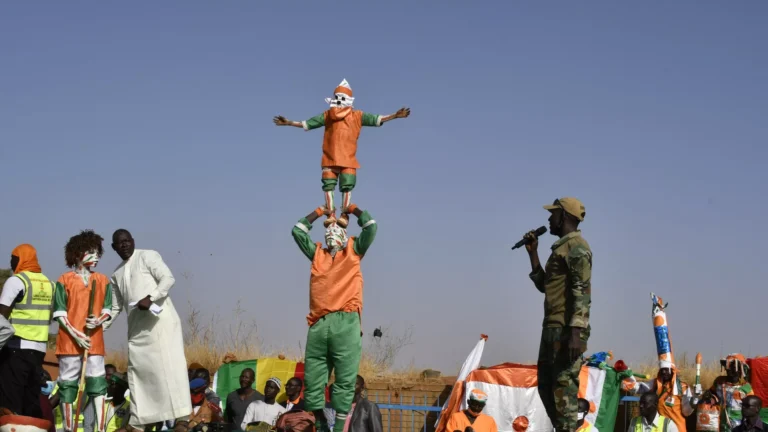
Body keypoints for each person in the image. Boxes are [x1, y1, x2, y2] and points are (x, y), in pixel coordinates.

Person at [273, 78, 410, 227]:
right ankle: (331, 214)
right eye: (337, 98)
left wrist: (395, 116)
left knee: (346, 186)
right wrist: (289, 123)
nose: (339, 101)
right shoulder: (328, 115)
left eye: (341, 98)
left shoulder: (357, 116)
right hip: (330, 159)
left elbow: (376, 119)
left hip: (347, 160)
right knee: (329, 186)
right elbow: (309, 123)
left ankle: (344, 215)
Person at [291, 203, 378, 432]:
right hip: (318, 324)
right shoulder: (317, 254)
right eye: (328, 230)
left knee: (345, 377)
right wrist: (319, 212)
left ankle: (339, 427)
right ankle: (320, 422)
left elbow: (371, 227)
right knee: (313, 378)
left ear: (345, 234)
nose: (332, 233)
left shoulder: (353, 251)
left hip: (345, 322)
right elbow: (298, 230)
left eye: (337, 230)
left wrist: (354, 209)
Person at [106, 229, 191, 431]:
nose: (124, 245)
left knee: (170, 369)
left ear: (133, 241)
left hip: (160, 325)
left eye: (127, 241)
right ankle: (139, 422)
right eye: (120, 243)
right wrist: (98, 327)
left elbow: (168, 279)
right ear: (114, 247)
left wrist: (150, 297)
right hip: (137, 333)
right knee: (140, 375)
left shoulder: (148, 256)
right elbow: (116, 307)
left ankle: (182, 418)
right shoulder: (116, 274)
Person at [522, 197, 592, 432]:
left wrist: (576, 330)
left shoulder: (577, 248)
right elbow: (545, 286)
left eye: (553, 214)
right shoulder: (559, 250)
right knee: (546, 387)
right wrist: (533, 253)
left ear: (564, 216)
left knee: (564, 391)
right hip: (551, 329)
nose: (549, 219)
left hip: (567, 330)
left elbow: (581, 290)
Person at [53, 230, 114, 432]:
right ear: (78, 253)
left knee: (97, 384)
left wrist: (97, 321)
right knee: (68, 385)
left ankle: (101, 428)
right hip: (69, 343)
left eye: (98, 252)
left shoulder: (103, 280)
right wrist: (77, 335)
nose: (96, 256)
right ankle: (69, 428)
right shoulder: (64, 279)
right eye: (91, 252)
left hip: (94, 341)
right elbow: (60, 313)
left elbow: (108, 310)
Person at [0, 244, 55, 417]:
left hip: (16, 349)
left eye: (13, 258)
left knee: (9, 402)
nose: (11, 263)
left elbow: (1, 317)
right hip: (39, 352)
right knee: (30, 401)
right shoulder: (49, 284)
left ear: (21, 258)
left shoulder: (17, 281)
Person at [701, 353, 754, 431]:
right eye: (729, 368)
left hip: (738, 426)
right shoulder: (719, 382)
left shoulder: (746, 387)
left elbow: (751, 409)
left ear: (741, 370)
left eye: (735, 368)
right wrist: (709, 397)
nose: (731, 371)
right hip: (719, 423)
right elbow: (712, 394)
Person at [632, 367, 694, 432]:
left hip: (678, 428)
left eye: (666, 369)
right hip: (660, 428)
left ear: (672, 370)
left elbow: (686, 412)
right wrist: (628, 378)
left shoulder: (682, 387)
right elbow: (638, 387)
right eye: (662, 369)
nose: (664, 372)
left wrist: (692, 404)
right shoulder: (655, 384)